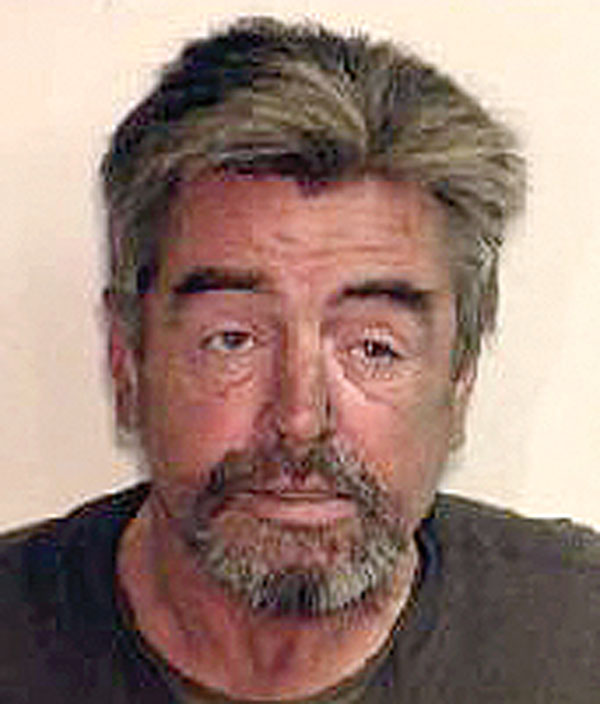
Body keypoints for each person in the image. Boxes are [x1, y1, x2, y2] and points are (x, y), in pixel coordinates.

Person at [1, 16, 598, 703]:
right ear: (126, 362)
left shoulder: (577, 642)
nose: (300, 419)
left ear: (461, 380)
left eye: (374, 348)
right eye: (233, 340)